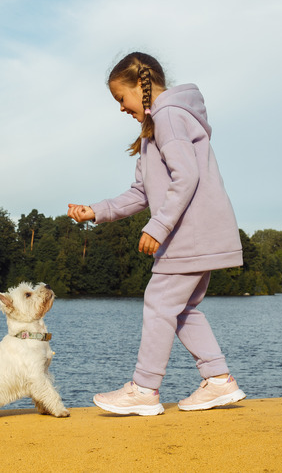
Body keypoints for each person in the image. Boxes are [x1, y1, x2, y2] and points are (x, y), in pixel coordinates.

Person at [67, 52, 245, 416]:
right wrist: (96, 212)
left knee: (159, 302)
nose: (120, 108)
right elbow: (141, 193)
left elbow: (187, 176)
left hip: (188, 234)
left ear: (141, 86)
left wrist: (158, 227)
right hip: (197, 233)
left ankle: (145, 388)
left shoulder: (168, 116)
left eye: (121, 98)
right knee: (182, 310)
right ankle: (218, 381)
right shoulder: (154, 130)